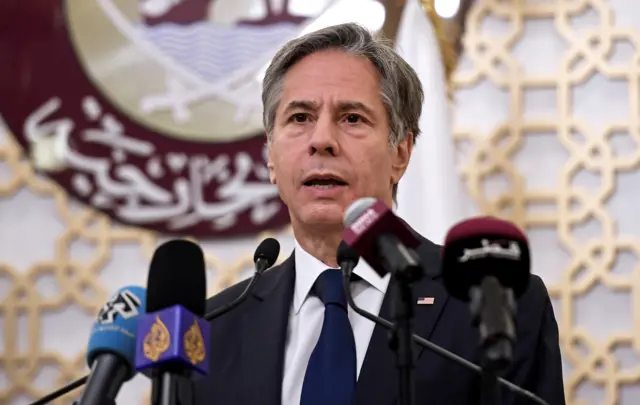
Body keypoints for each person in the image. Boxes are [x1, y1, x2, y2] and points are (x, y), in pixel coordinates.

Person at [193, 22, 565, 405]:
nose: (321, 140)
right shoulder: (211, 329)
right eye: (300, 118)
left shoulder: (496, 311)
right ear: (272, 156)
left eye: (352, 118)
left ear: (400, 154)